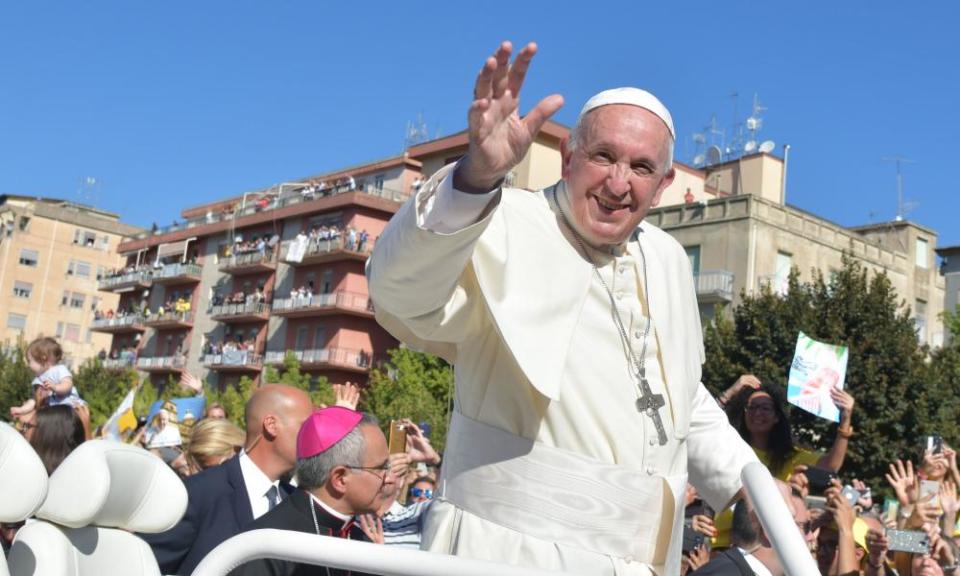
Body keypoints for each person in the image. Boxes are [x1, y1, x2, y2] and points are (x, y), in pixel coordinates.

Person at [366, 40, 760, 574]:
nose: (619, 184)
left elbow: (679, 402)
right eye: (604, 157)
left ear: (664, 185)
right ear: (569, 157)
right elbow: (396, 291)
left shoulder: (667, 259)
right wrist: (476, 179)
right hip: (506, 554)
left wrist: (752, 487)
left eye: (641, 168)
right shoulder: (500, 221)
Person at [142, 384, 314, 576]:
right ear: (271, 425)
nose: (314, 437)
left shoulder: (297, 503)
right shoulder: (198, 493)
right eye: (306, 426)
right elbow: (144, 565)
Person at [229, 407, 395, 576]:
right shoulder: (264, 548)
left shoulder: (361, 539)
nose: (391, 479)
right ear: (340, 479)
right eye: (382, 468)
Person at [10, 337, 83, 420]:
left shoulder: (59, 369)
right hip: (51, 414)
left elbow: (68, 384)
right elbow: (34, 401)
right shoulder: (38, 380)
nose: (28, 365)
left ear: (43, 358)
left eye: (29, 361)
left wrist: (55, 387)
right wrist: (21, 410)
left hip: (68, 410)